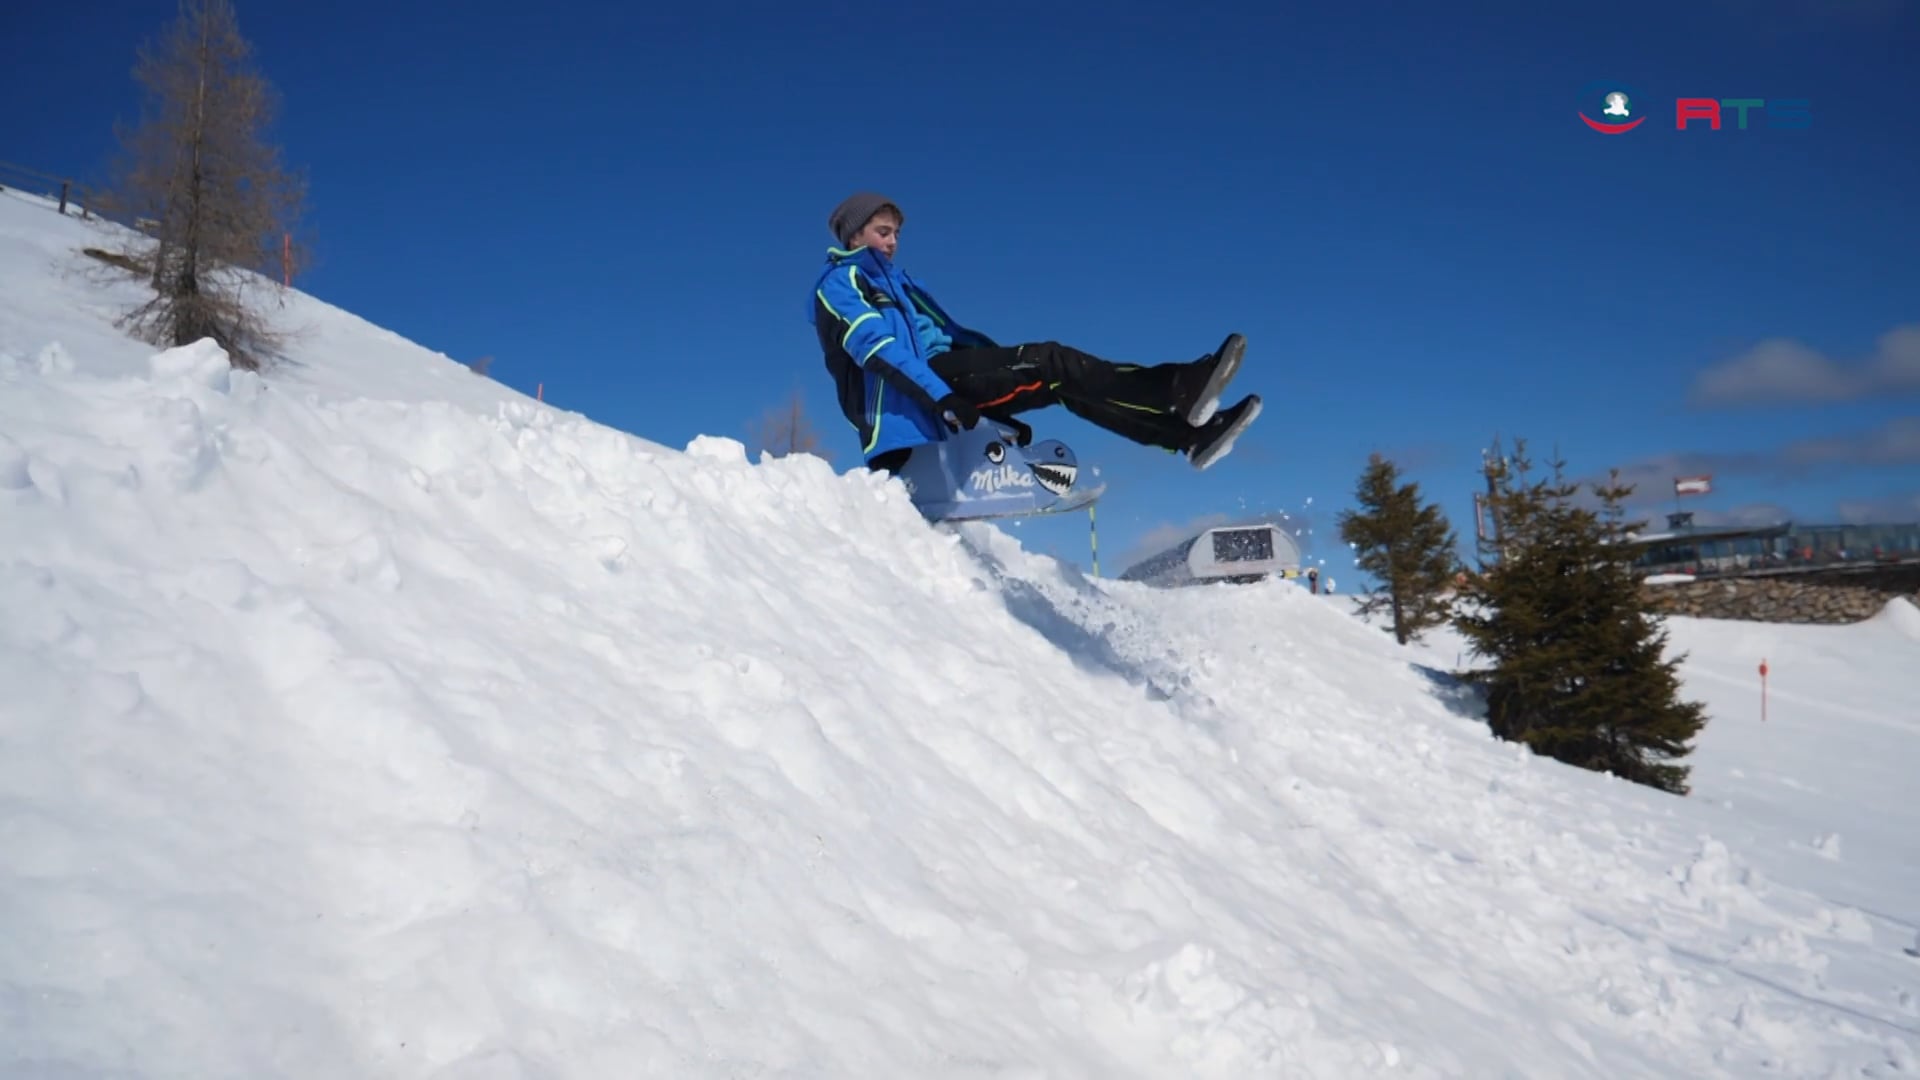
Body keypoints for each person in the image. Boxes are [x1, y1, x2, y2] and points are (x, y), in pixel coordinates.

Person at [807, 191, 1261, 476]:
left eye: (897, 233)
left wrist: (989, 416)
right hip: (926, 389)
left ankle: (1185, 436)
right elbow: (878, 350)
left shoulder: (901, 284)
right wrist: (942, 399)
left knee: (1061, 383)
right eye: (883, 232)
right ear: (853, 236)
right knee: (1048, 359)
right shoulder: (841, 284)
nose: (893, 241)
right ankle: (1177, 387)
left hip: (943, 383)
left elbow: (949, 338)